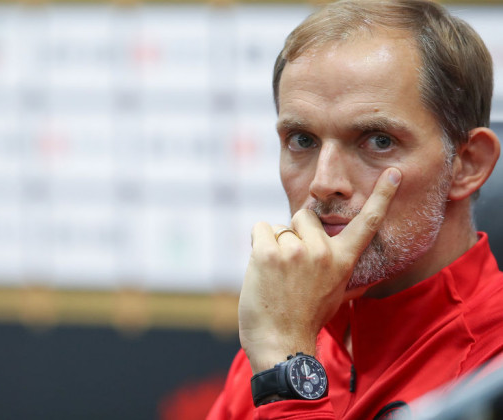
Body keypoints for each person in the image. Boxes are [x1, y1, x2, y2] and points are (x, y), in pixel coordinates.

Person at [208, 1, 503, 419]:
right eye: (303, 140)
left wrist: (286, 372)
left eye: (378, 140)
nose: (323, 182)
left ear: (467, 165)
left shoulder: (494, 365)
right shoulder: (295, 328)